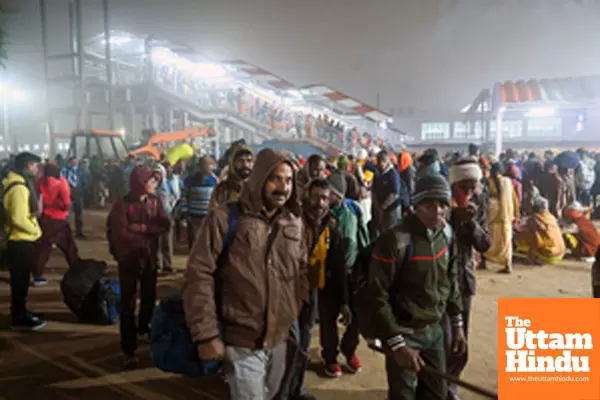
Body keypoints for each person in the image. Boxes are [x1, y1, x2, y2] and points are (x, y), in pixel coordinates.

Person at [183, 149, 308, 400]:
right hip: (242, 342)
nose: (283, 187)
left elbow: (300, 272)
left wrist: (293, 311)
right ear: (259, 178)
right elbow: (199, 274)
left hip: (281, 339)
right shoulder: (224, 218)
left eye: (288, 180)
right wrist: (206, 334)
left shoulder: (294, 222)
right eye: (275, 179)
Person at [366, 174, 467, 400]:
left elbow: (451, 280)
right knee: (404, 395)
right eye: (428, 205)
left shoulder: (447, 234)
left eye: (443, 204)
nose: (437, 211)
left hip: (434, 331)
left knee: (436, 393)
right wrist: (397, 344)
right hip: (403, 332)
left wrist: (457, 323)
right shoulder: (396, 240)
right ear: (415, 206)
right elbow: (376, 295)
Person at [278, 178, 348, 400]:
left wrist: (345, 301)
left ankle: (295, 389)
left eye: (325, 198)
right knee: (288, 346)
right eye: (316, 197)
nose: (320, 203)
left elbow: (339, 267)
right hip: (287, 293)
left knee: (303, 346)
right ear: (306, 197)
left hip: (311, 293)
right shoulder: (290, 223)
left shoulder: (331, 229)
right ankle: (281, 393)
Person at [107, 168, 170, 367]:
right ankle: (129, 349)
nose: (153, 183)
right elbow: (120, 234)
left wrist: (143, 229)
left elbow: (165, 224)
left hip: (149, 258)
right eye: (150, 180)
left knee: (149, 296)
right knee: (127, 305)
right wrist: (147, 236)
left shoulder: (154, 201)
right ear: (140, 183)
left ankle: (144, 329)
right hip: (129, 260)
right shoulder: (122, 205)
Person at [445, 159, 491, 400]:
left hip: (463, 283)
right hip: (439, 284)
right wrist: (453, 217)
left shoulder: (475, 208)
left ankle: (450, 387)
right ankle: (435, 386)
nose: (470, 193)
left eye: (474, 188)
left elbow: (485, 244)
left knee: (460, 342)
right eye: (465, 188)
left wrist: (470, 223)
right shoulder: (438, 206)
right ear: (453, 185)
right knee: (442, 339)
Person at [321, 171, 361, 378]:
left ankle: (349, 347)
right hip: (328, 277)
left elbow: (360, 242)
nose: (325, 198)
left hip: (350, 275)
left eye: (329, 194)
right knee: (328, 318)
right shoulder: (320, 216)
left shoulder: (352, 215)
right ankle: (330, 356)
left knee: (354, 317)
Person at [2, 152, 46, 330]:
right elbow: (18, 218)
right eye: (35, 165)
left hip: (20, 239)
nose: (37, 169)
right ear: (28, 165)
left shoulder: (18, 183)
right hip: (20, 240)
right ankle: (19, 317)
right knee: (19, 283)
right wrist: (36, 231)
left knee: (20, 281)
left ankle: (21, 312)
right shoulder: (19, 187)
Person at [34, 162, 79, 285]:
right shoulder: (61, 182)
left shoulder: (40, 182)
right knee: (69, 247)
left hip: (44, 218)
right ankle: (77, 271)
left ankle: (37, 276)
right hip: (59, 220)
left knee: (43, 248)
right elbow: (66, 203)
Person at [485, 163, 519, 274]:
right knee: (506, 239)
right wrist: (516, 214)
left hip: (492, 213)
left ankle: (483, 261)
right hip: (506, 214)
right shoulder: (508, 182)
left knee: (489, 237)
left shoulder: (487, 182)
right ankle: (508, 264)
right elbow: (514, 199)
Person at [515, 195, 566, 265]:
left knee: (522, 237)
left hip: (550, 256)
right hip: (561, 253)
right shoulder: (551, 216)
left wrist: (530, 258)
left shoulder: (534, 219)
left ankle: (536, 258)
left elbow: (537, 240)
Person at [181, 156, 218, 249]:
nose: (207, 167)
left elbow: (218, 198)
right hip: (193, 217)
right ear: (200, 166)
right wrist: (185, 213)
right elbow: (184, 197)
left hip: (208, 216)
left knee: (207, 242)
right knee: (194, 242)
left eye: (209, 165)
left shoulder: (214, 180)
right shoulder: (190, 180)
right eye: (204, 164)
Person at [157, 162, 181, 273]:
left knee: (167, 241)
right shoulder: (150, 185)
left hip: (167, 215)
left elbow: (176, 196)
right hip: (153, 217)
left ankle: (167, 265)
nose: (157, 176)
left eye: (159, 173)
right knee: (155, 242)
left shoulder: (169, 183)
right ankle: (156, 264)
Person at [372, 150, 403, 236]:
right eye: (378, 161)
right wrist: (376, 203)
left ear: (387, 162)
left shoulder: (393, 174)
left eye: (381, 162)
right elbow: (374, 189)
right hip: (380, 208)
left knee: (391, 232)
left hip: (392, 209)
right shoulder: (377, 173)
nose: (379, 164)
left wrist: (384, 206)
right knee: (382, 231)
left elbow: (395, 193)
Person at [61, 157, 86, 238]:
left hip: (78, 194)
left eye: (76, 162)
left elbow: (84, 182)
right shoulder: (64, 171)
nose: (74, 163)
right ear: (69, 162)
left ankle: (79, 232)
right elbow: (61, 181)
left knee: (79, 215)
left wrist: (83, 191)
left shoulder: (80, 171)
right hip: (68, 195)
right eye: (73, 162)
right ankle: (65, 233)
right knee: (67, 215)